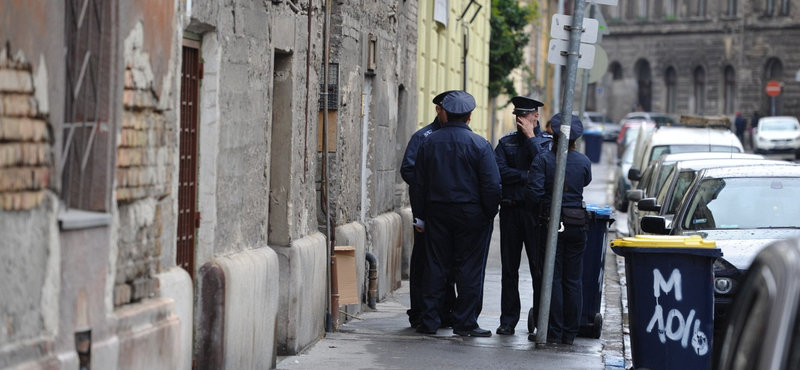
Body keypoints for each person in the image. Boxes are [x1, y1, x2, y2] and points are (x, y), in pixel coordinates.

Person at [411, 90, 502, 337]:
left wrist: (419, 216)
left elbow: (418, 183)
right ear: (469, 117)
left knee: (435, 266)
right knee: (469, 268)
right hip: (472, 214)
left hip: (437, 212)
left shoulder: (428, 142)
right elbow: (491, 185)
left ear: (445, 114)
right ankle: (464, 322)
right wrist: (489, 212)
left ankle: (429, 321)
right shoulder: (480, 145)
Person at [525, 113, 592, 345]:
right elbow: (585, 181)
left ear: (552, 133)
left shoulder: (543, 160)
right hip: (576, 224)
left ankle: (554, 329)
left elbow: (533, 193)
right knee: (573, 279)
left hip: (551, 223)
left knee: (552, 278)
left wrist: (538, 211)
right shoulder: (583, 161)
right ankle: (570, 333)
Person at [494, 96, 550, 336]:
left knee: (539, 268)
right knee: (509, 268)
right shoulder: (505, 143)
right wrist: (527, 175)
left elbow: (546, 167)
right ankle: (508, 320)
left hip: (535, 214)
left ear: (536, 116)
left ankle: (540, 319)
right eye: (517, 114)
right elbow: (499, 171)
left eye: (525, 115)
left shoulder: (546, 142)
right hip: (511, 210)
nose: (520, 119)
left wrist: (530, 138)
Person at [400, 90, 457, 329]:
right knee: (424, 262)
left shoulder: (459, 134)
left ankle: (444, 310)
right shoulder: (423, 136)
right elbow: (408, 170)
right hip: (428, 210)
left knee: (449, 263)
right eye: (448, 110)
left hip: (451, 211)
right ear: (438, 111)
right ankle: (420, 311)